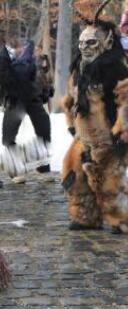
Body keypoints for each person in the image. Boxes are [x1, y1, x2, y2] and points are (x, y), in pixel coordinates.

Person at [61, 4, 128, 234]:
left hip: (108, 137)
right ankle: (86, 216)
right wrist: (71, 124)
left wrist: (123, 134)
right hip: (84, 136)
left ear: (107, 42)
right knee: (74, 176)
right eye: (81, 43)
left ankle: (119, 218)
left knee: (110, 181)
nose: (85, 48)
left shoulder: (116, 69)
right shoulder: (79, 70)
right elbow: (70, 100)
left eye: (91, 43)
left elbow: (125, 102)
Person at [0, 39, 52, 184]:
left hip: (31, 97)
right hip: (15, 100)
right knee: (8, 136)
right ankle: (16, 170)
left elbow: (41, 76)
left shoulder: (33, 58)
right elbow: (0, 79)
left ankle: (44, 168)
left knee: (44, 129)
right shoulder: (4, 58)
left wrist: (44, 92)